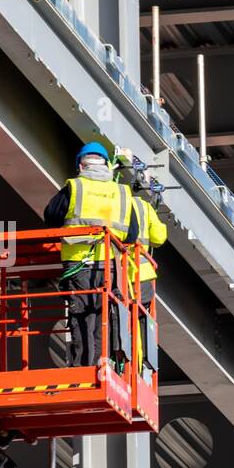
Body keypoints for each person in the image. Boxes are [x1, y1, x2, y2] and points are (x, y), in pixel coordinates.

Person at [43, 142, 141, 367]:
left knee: (82, 315)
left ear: (80, 164)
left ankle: (84, 367)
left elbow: (51, 216)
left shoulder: (75, 187)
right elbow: (132, 234)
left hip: (80, 262)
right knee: (104, 314)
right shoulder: (122, 192)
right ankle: (103, 363)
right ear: (107, 164)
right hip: (111, 263)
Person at [129, 193, 167, 373]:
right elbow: (159, 238)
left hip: (113, 272)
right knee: (138, 320)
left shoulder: (109, 202)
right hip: (141, 274)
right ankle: (139, 367)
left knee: (116, 319)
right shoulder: (144, 206)